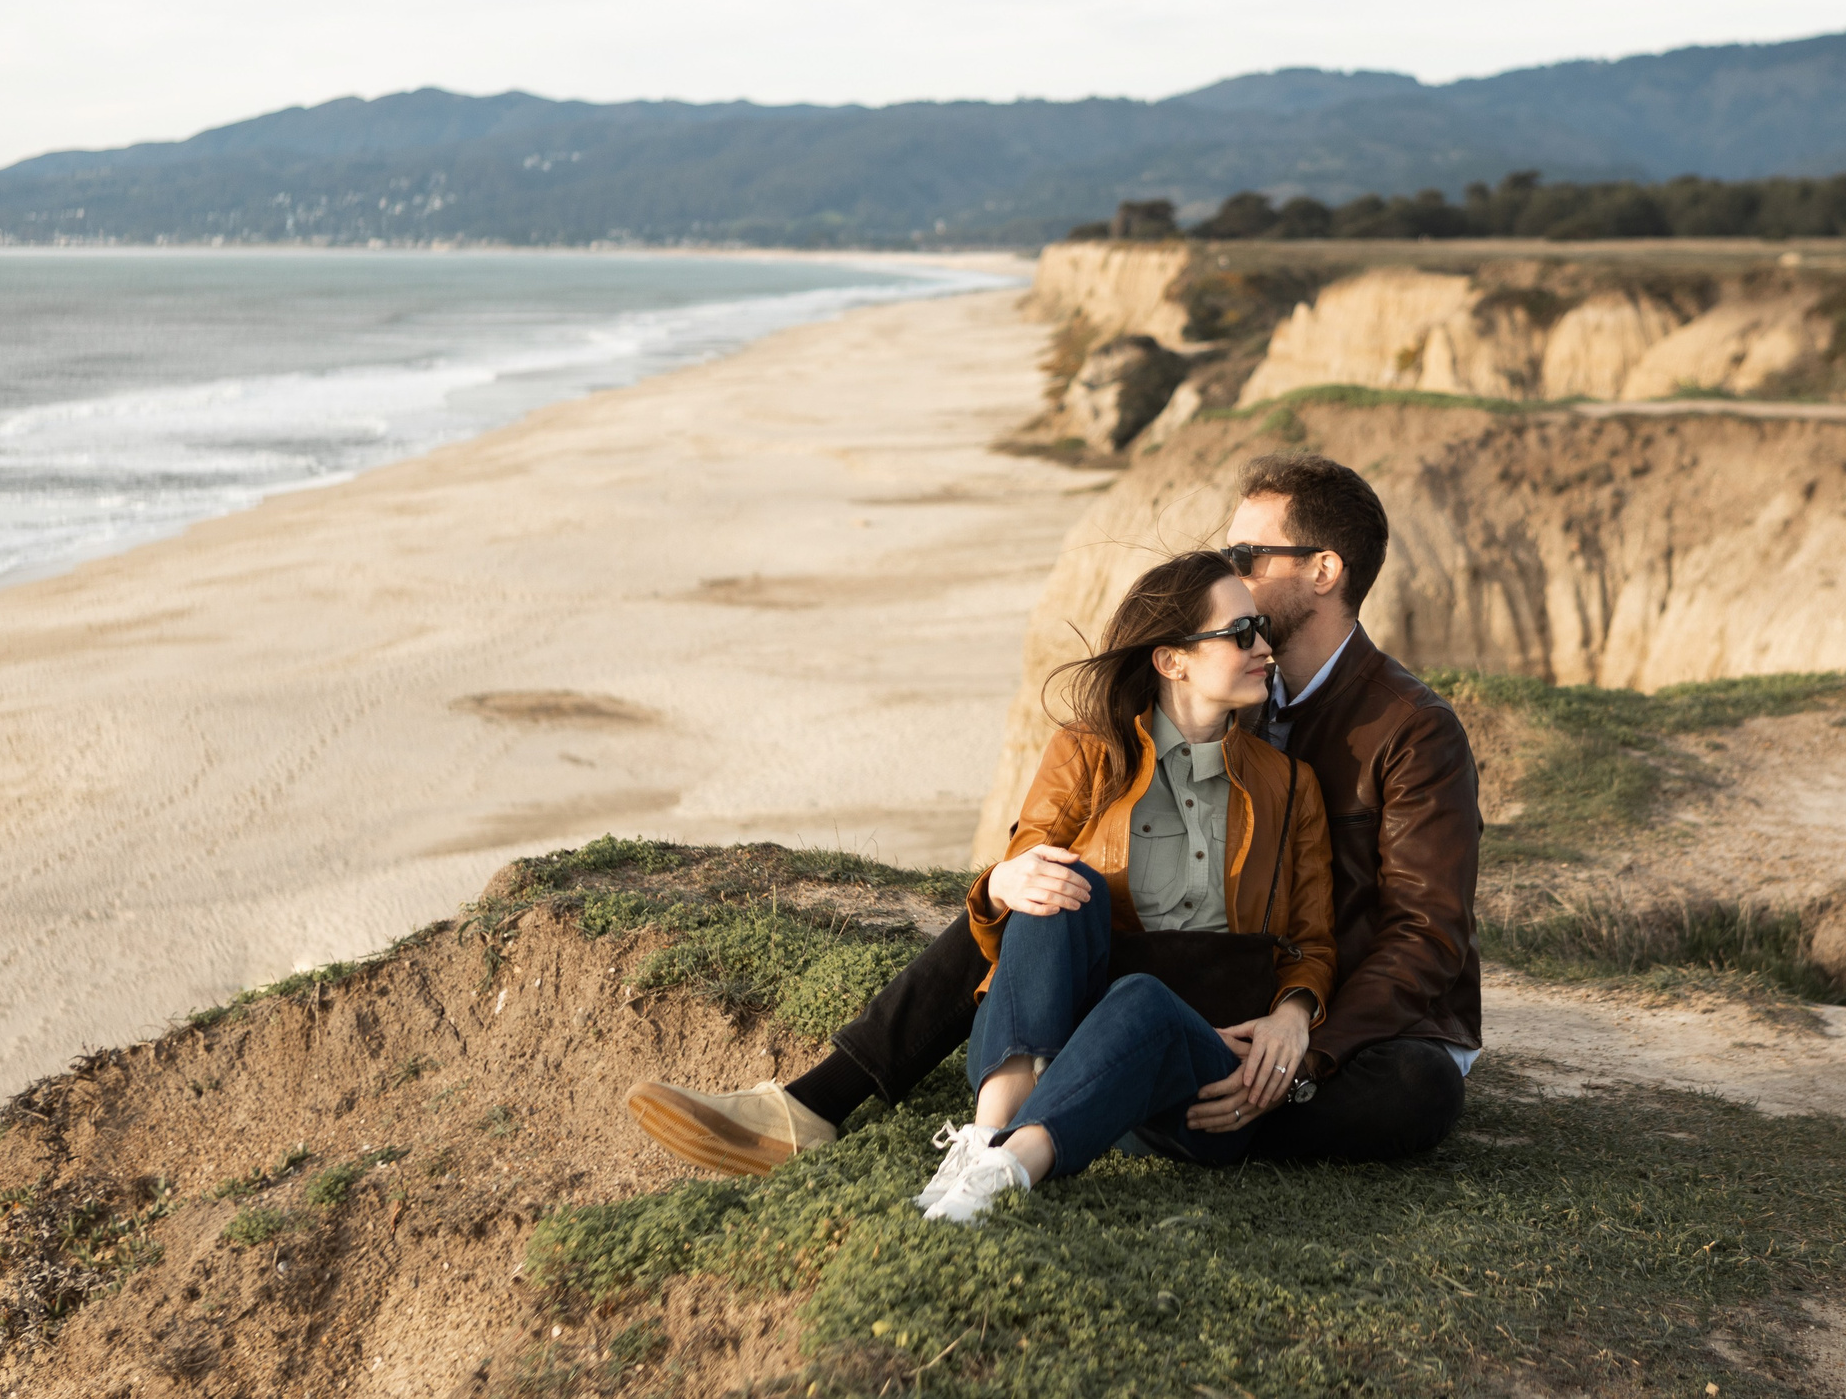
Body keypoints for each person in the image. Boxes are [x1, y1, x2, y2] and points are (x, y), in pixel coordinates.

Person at [625, 452, 1481, 1173]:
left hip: (1345, 1021)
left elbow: (1425, 936)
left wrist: (1306, 1030)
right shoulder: (1238, 691)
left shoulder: (1411, 729)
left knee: (1419, 1092)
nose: (1231, 565)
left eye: (1250, 550)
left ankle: (1141, 1101)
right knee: (1042, 885)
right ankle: (816, 1104)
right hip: (1207, 977)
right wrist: (1016, 875)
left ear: (1324, 570)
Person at [894, 550, 1334, 1223]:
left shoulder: (1290, 786)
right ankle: (986, 1139)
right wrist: (1007, 879)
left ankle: (1009, 1167)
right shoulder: (1086, 753)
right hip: (1069, 1047)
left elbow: (1311, 941)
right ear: (1172, 659)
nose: (1266, 647)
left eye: (1264, 628)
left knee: (1145, 1003)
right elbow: (1023, 896)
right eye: (1242, 633)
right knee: (1057, 881)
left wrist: (1292, 1016)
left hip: (1201, 1077)